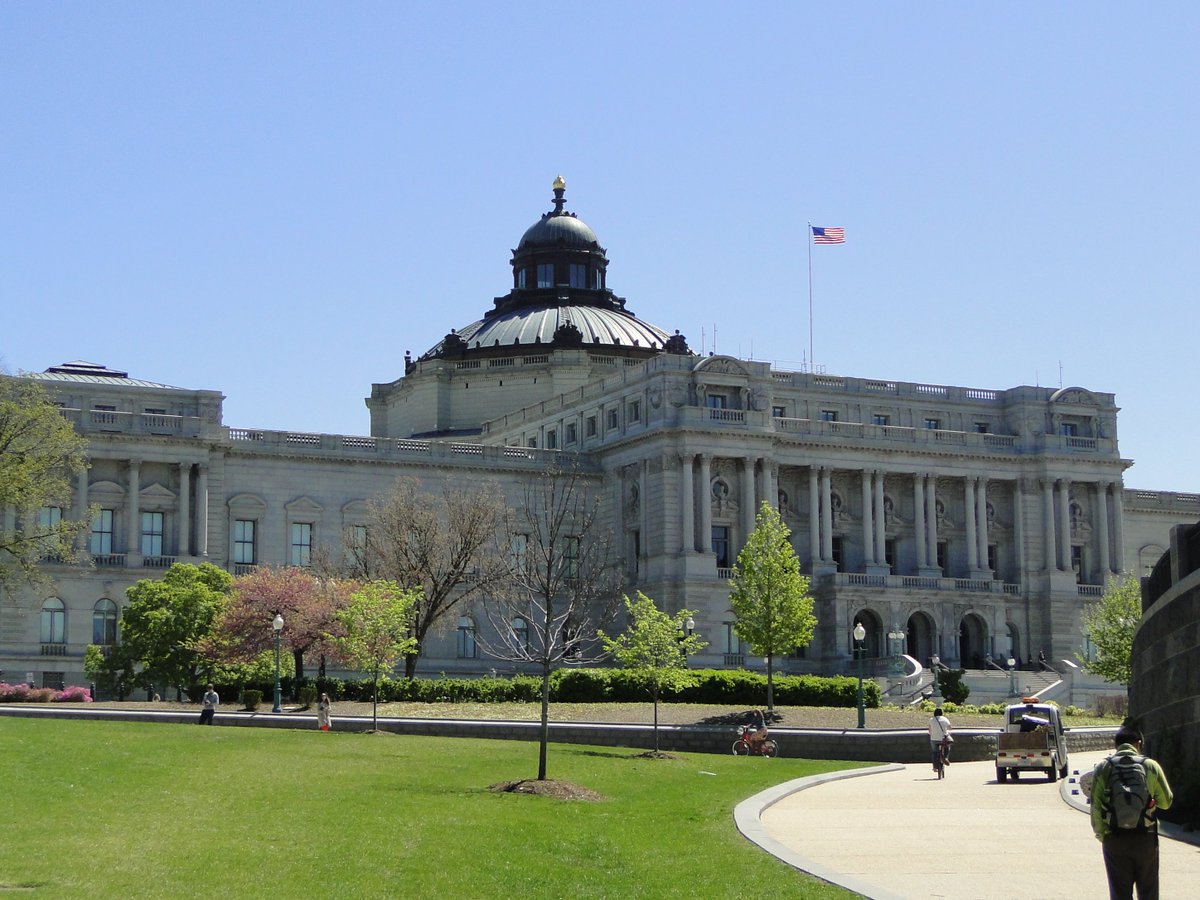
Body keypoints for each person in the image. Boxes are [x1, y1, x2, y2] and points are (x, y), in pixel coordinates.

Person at [1091, 722, 1173, 900]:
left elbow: (1096, 808)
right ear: (1138, 744)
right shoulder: (1150, 766)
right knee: (1148, 892)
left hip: (1115, 839)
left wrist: (1103, 836)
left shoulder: (1103, 768)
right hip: (1145, 838)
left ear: (1117, 745)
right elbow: (1166, 802)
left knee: (1120, 894)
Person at [928, 706, 952, 770]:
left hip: (934, 739)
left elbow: (930, 730)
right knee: (947, 747)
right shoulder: (944, 719)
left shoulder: (931, 720)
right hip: (943, 739)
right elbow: (950, 728)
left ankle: (935, 767)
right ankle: (946, 758)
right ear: (942, 713)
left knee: (935, 752)